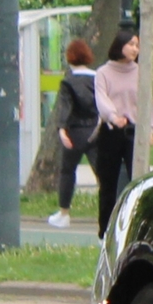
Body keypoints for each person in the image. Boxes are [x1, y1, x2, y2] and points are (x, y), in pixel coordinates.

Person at [90, 29, 142, 238]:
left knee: (137, 180)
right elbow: (101, 98)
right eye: (131, 44)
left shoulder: (140, 71)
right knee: (108, 182)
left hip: (134, 130)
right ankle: (106, 230)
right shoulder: (103, 72)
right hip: (111, 131)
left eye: (137, 45)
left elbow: (146, 100)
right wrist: (113, 116)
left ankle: (135, 227)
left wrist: (152, 127)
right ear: (119, 45)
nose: (135, 49)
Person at [47, 39, 98, 230]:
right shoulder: (97, 77)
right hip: (96, 129)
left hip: (75, 130)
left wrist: (62, 129)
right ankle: (110, 213)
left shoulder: (68, 81)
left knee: (68, 171)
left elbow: (66, 107)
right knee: (103, 174)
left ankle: (64, 213)